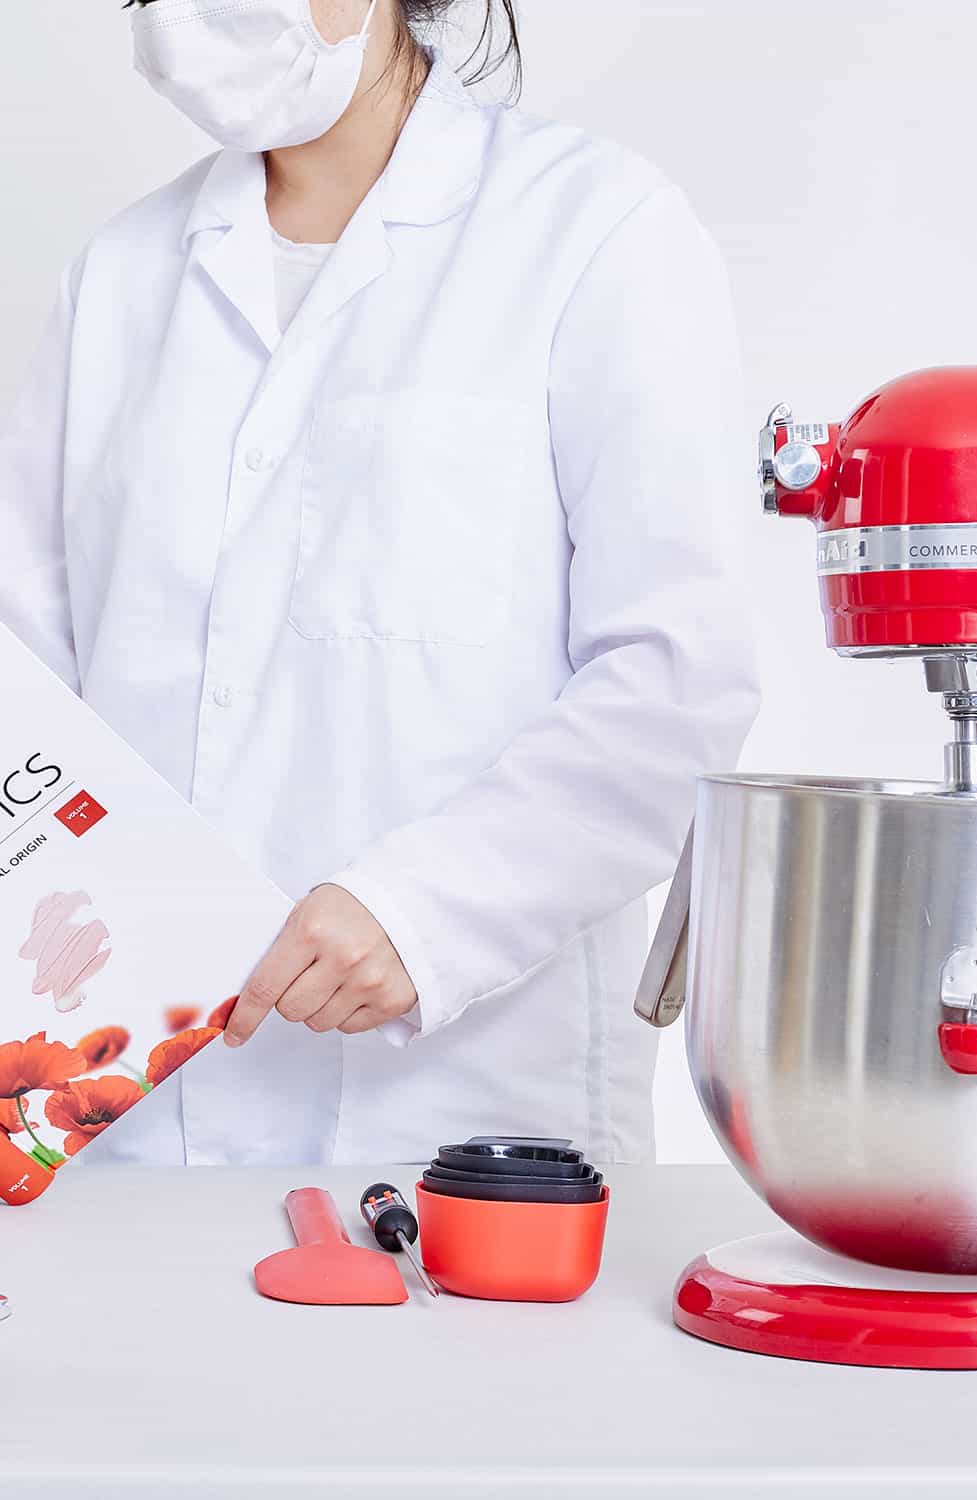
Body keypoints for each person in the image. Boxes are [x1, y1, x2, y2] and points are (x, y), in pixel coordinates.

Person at [0, 0, 758, 1164]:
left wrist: (426, 910)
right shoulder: (117, 279)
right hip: (128, 1117)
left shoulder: (592, 230)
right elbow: (28, 688)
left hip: (465, 1119)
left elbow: (675, 677)